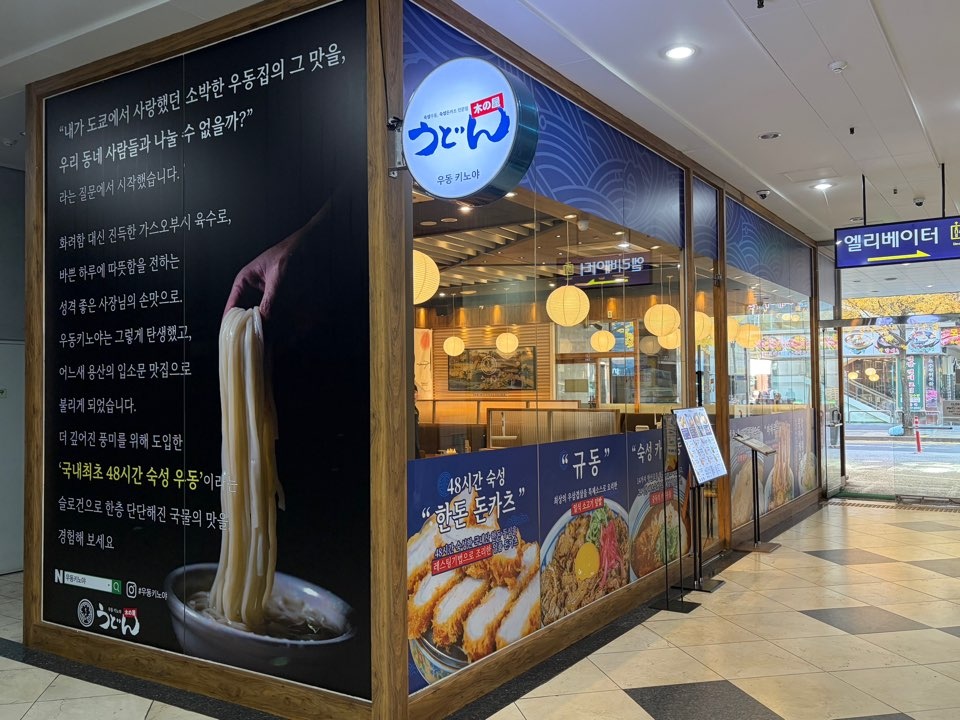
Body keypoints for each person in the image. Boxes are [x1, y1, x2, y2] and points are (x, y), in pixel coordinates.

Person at [414, 384, 424, 459]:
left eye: (414, 392)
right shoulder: (407, 410)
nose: (413, 395)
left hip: (416, 445)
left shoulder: (416, 410)